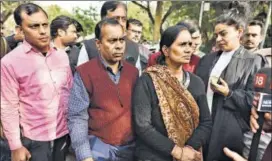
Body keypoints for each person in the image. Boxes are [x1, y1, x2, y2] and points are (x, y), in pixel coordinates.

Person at [1, 3, 72, 161]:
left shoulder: (61, 56)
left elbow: (69, 91)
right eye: (34, 26)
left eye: (45, 25)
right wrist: (15, 146)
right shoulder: (10, 62)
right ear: (20, 30)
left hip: (63, 134)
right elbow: (8, 106)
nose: (42, 31)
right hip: (34, 141)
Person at [132, 25, 212, 161]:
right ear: (165, 50)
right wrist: (175, 151)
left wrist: (188, 149)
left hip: (189, 155)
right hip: (154, 155)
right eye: (182, 45)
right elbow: (143, 126)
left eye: (190, 44)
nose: (188, 49)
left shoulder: (197, 82)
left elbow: (206, 122)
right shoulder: (148, 80)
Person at [195, 2, 263, 160]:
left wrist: (229, 93)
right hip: (202, 128)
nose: (218, 39)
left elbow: (256, 99)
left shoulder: (253, 61)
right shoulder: (207, 59)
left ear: (239, 31)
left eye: (223, 34)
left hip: (228, 135)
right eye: (216, 35)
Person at [68, 18, 139, 161]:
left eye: (121, 40)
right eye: (112, 41)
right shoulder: (84, 72)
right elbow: (77, 117)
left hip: (130, 147)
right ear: (98, 44)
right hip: (99, 147)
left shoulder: (133, 73)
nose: (119, 46)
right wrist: (85, 155)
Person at [77, 1, 146, 73]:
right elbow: (81, 78)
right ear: (103, 20)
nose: (120, 23)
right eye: (115, 19)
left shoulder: (134, 47)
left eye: (123, 19)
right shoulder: (89, 46)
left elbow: (137, 77)